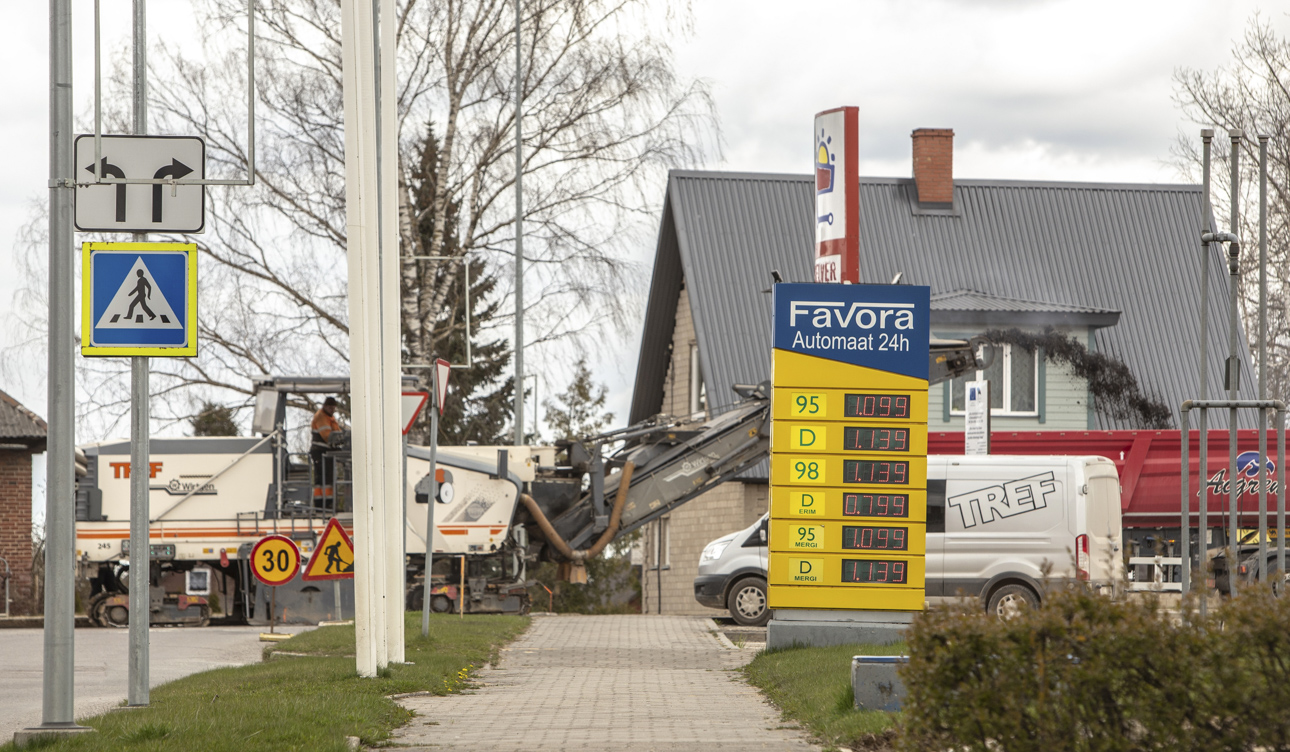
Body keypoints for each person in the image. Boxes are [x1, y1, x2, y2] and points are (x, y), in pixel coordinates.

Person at [311, 397, 342, 503]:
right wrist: (338, 440)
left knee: (328, 478)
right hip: (319, 451)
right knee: (321, 478)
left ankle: (328, 503)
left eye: (333, 408)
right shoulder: (321, 416)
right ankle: (321, 505)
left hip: (326, 452)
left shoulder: (330, 418)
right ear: (325, 406)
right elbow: (327, 436)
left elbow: (337, 433)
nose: (332, 410)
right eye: (330, 408)